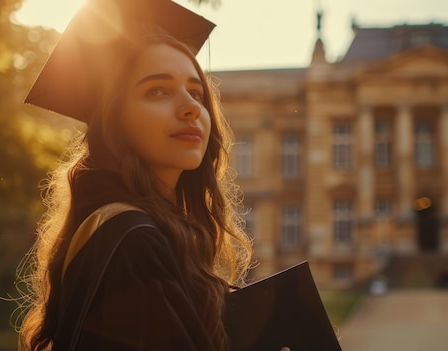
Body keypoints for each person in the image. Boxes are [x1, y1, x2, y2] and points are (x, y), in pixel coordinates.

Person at [16, 0, 270, 349]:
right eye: (157, 90)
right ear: (113, 119)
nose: (191, 107)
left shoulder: (116, 228)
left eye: (196, 92)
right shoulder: (134, 241)